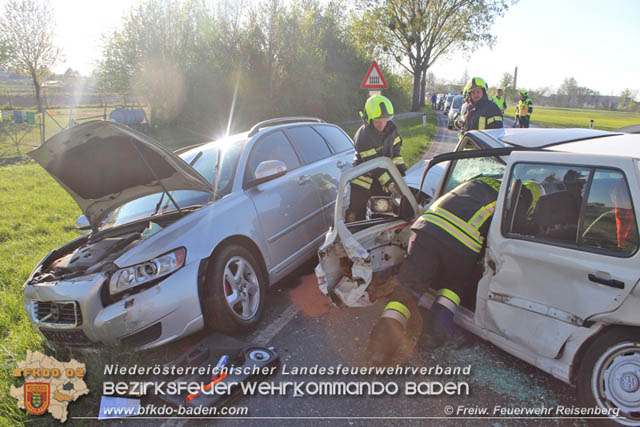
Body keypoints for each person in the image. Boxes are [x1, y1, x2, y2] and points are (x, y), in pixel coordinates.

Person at [366, 176, 502, 365]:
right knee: (452, 290)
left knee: (407, 290)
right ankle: (431, 337)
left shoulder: (479, 180)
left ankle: (379, 350)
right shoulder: (516, 194)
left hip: (426, 229)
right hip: (462, 242)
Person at [347, 95, 406, 222]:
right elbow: (374, 165)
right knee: (355, 216)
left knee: (383, 213)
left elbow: (396, 156)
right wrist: (390, 183)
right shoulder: (363, 136)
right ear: (368, 119)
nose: (381, 124)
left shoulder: (392, 131)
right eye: (377, 121)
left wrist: (403, 174)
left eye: (384, 120)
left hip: (382, 180)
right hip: (363, 181)